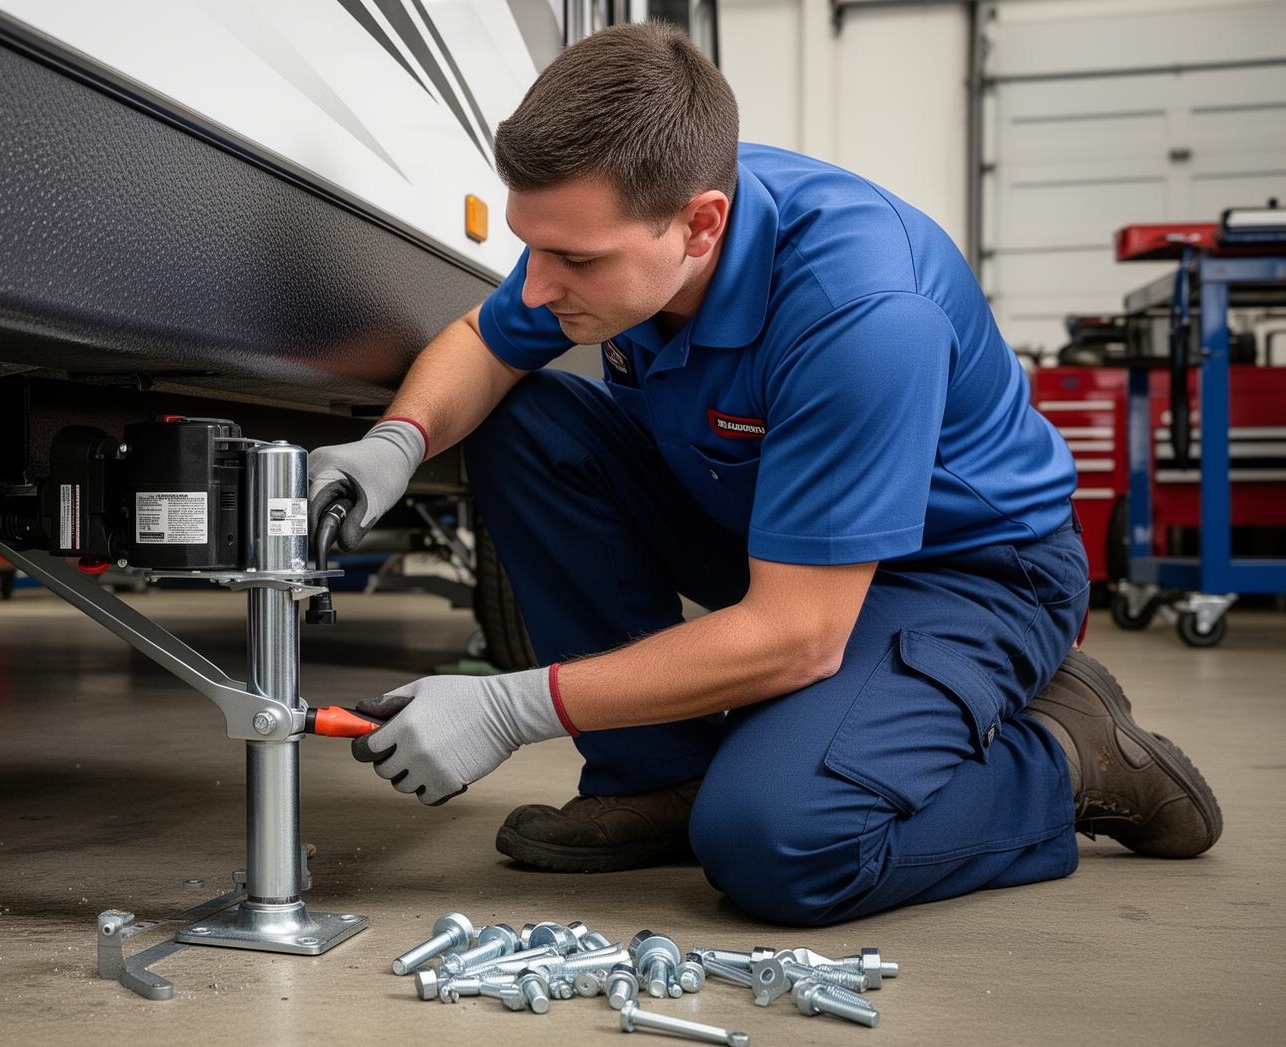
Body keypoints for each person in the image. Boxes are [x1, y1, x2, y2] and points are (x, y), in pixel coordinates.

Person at [305, 22, 1220, 927]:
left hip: (963, 574)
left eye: (575, 259)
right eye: (530, 246)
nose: (535, 287)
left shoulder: (861, 312)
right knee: (530, 424)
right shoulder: (636, 215)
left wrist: (513, 706)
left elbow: (798, 635)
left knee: (780, 843)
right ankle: (658, 774)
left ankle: (1069, 758)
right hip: (773, 527)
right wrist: (398, 442)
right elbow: (483, 339)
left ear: (702, 224)